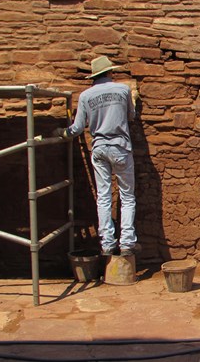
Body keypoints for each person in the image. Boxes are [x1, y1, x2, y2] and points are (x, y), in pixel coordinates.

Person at [54, 56, 138, 257]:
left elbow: (76, 129)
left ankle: (107, 244)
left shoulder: (85, 96)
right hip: (120, 147)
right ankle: (126, 243)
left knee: (104, 197)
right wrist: (133, 99)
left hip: (99, 148)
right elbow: (131, 116)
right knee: (127, 196)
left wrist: (61, 132)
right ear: (110, 73)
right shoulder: (123, 90)